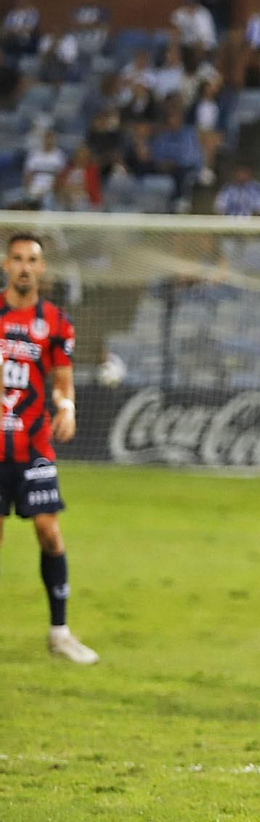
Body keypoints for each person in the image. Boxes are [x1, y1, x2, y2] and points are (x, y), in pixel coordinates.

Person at [1, 234, 95, 664]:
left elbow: (62, 380)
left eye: (31, 260)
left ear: (41, 269)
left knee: (48, 530)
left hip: (35, 445)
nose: (23, 267)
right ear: (6, 264)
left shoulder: (55, 321)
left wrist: (68, 406)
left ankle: (59, 632)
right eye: (17, 258)